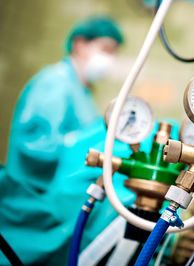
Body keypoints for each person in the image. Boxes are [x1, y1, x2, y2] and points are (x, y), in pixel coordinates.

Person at [0, 15, 130, 265]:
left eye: (114, 52)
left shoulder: (79, 90)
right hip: (34, 200)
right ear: (80, 45)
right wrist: (80, 145)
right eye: (105, 49)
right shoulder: (55, 83)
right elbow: (36, 147)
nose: (109, 59)